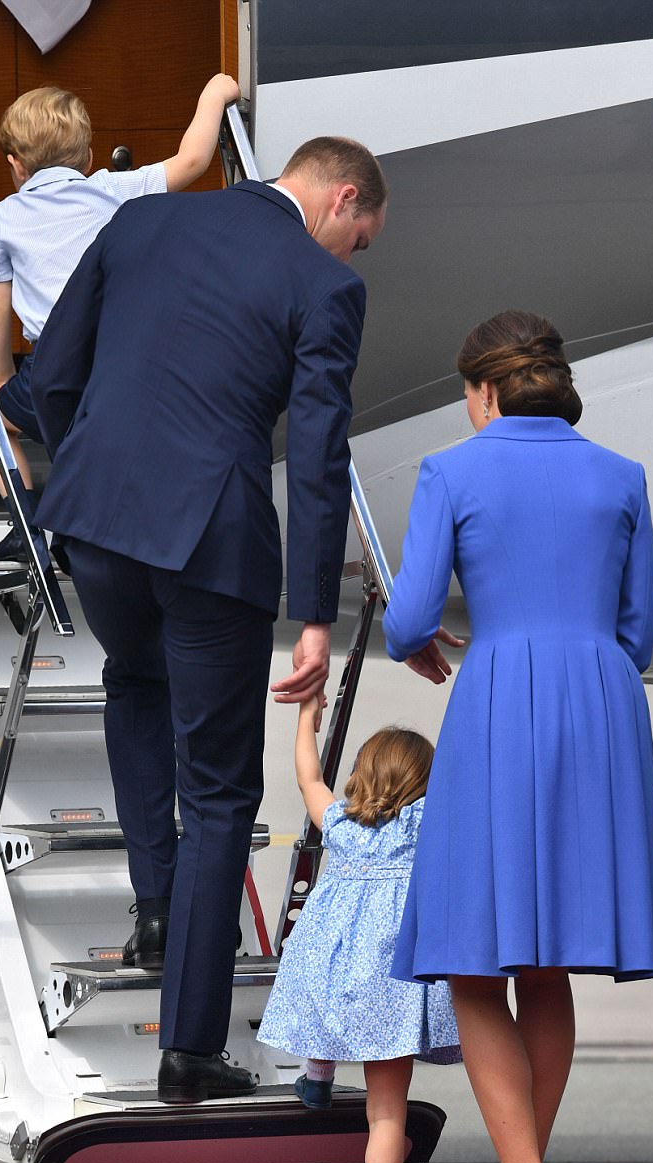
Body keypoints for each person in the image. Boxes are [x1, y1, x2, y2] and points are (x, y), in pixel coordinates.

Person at [29, 137, 388, 1105]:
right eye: (361, 235)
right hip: (209, 542)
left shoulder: (141, 220)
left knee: (132, 678)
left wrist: (85, 469)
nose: (353, 253)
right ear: (340, 198)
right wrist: (313, 614)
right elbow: (316, 458)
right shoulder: (323, 285)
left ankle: (155, 907)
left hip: (98, 519)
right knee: (222, 793)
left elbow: (51, 376)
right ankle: (188, 1046)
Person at [384, 310, 653, 1163]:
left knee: (473, 964)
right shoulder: (621, 474)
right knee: (546, 965)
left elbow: (408, 619)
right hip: (600, 702)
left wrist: (422, 636)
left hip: (501, 701)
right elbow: (637, 630)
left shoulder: (453, 470)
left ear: (482, 391)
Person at [0, 75, 240, 559]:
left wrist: (0, 375)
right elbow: (192, 161)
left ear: (15, 164)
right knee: (99, 441)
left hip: (52, 364)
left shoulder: (5, 215)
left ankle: (25, 523)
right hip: (124, 358)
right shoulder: (113, 190)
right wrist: (214, 94)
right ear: (89, 159)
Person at [257, 702, 460, 1163]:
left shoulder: (341, 827)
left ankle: (317, 1076)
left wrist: (307, 717)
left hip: (330, 974)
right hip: (390, 988)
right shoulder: (425, 826)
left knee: (325, 991)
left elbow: (308, 776)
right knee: (387, 1111)